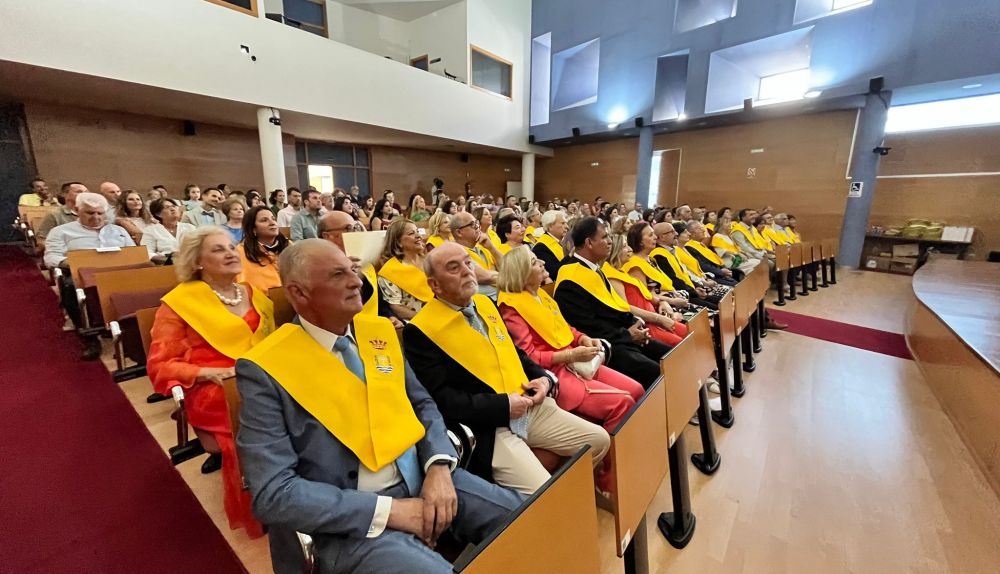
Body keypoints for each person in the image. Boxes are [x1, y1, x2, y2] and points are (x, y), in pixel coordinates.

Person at [235, 240, 523, 573]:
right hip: (352, 518)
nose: (356, 281)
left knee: (529, 519)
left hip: (423, 477)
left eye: (353, 270)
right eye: (338, 275)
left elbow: (422, 404)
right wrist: (390, 512)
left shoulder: (379, 333)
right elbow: (274, 492)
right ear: (299, 293)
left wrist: (439, 466)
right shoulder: (265, 369)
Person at [404, 242, 610, 495]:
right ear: (434, 285)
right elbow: (443, 399)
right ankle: (558, 506)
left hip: (530, 405)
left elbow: (515, 353)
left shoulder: (485, 303)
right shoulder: (421, 330)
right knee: (543, 493)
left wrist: (542, 378)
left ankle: (572, 498)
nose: (467, 271)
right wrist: (503, 406)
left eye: (468, 263)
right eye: (454, 268)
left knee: (599, 441)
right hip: (490, 425)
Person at [148, 227, 274, 538]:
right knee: (256, 415)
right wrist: (208, 373)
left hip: (262, 375)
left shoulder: (253, 293)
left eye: (231, 247)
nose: (231, 253)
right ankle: (264, 501)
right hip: (214, 386)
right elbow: (160, 365)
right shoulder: (179, 303)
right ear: (197, 262)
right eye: (218, 249)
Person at [497, 246, 642, 491]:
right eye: (534, 262)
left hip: (577, 362)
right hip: (556, 374)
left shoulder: (542, 296)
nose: (542, 262)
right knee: (622, 403)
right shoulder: (511, 308)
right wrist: (570, 354)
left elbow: (565, 329)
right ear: (521, 272)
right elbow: (529, 358)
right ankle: (607, 481)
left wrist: (583, 338)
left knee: (636, 389)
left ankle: (623, 459)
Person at [552, 217, 672, 389]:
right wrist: (627, 334)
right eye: (604, 237)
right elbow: (586, 324)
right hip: (604, 344)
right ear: (589, 243)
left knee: (672, 355)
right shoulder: (570, 277)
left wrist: (634, 326)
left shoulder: (593, 268)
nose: (610, 242)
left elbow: (614, 306)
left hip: (621, 335)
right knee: (657, 371)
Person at [45, 192, 135, 359]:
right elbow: (51, 257)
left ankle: (131, 332)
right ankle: (90, 337)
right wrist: (72, 262)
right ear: (77, 210)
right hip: (82, 273)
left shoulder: (118, 231)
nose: (96, 217)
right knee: (70, 286)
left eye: (100, 213)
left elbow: (133, 253)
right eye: (90, 213)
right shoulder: (61, 232)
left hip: (118, 270)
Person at [608, 232, 688, 347]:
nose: (630, 249)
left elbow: (648, 295)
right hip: (648, 324)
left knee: (693, 332)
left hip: (657, 316)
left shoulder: (621, 272)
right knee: (685, 344)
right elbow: (626, 308)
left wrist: (662, 302)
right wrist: (659, 318)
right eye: (625, 246)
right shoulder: (612, 277)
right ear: (614, 251)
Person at [650, 222, 719, 309]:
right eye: (672, 232)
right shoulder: (658, 255)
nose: (676, 234)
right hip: (681, 297)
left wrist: (696, 287)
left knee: (722, 300)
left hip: (690, 290)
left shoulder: (672, 250)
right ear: (662, 237)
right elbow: (674, 281)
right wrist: (694, 291)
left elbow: (684, 274)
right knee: (717, 308)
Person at [377, 219, 432, 321]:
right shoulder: (390, 271)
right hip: (416, 322)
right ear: (398, 242)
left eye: (418, 231)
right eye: (411, 233)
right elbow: (397, 308)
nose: (418, 236)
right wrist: (427, 320)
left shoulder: (429, 260)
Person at [238, 206, 290, 293]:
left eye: (273, 219)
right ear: (253, 229)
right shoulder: (241, 252)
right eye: (264, 220)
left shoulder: (290, 246)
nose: (272, 223)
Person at [449, 211, 500, 300]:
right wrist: (514, 278)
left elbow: (506, 267)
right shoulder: (455, 253)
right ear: (459, 232)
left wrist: (492, 248)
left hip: (500, 296)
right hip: (482, 302)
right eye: (472, 224)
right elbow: (485, 277)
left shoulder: (484, 246)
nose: (477, 227)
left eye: (477, 222)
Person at [676, 223, 737, 288]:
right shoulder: (689, 247)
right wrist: (720, 272)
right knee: (735, 285)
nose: (703, 230)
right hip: (706, 279)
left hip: (709, 276)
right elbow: (702, 266)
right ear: (693, 234)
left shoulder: (696, 245)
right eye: (699, 228)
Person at [142, 198, 196, 263]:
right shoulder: (150, 230)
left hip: (190, 262)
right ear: (158, 214)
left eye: (174, 206)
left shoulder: (190, 227)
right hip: (164, 265)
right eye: (167, 207)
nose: (173, 209)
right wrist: (169, 260)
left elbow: (198, 248)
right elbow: (148, 253)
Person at [37, 182, 86, 248]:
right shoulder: (54, 214)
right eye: (79, 192)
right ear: (65, 195)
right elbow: (42, 240)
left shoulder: (94, 214)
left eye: (86, 192)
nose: (85, 194)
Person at [532, 210, 569, 279]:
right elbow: (552, 273)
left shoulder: (564, 241)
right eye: (563, 223)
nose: (567, 226)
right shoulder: (541, 248)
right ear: (550, 226)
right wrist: (570, 256)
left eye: (566, 223)